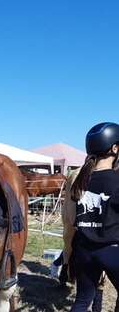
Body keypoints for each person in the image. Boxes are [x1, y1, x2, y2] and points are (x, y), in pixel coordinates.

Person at [70, 122, 119, 312]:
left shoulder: (81, 179)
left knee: (82, 301)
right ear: (114, 148)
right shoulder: (116, 180)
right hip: (112, 250)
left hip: (83, 250)